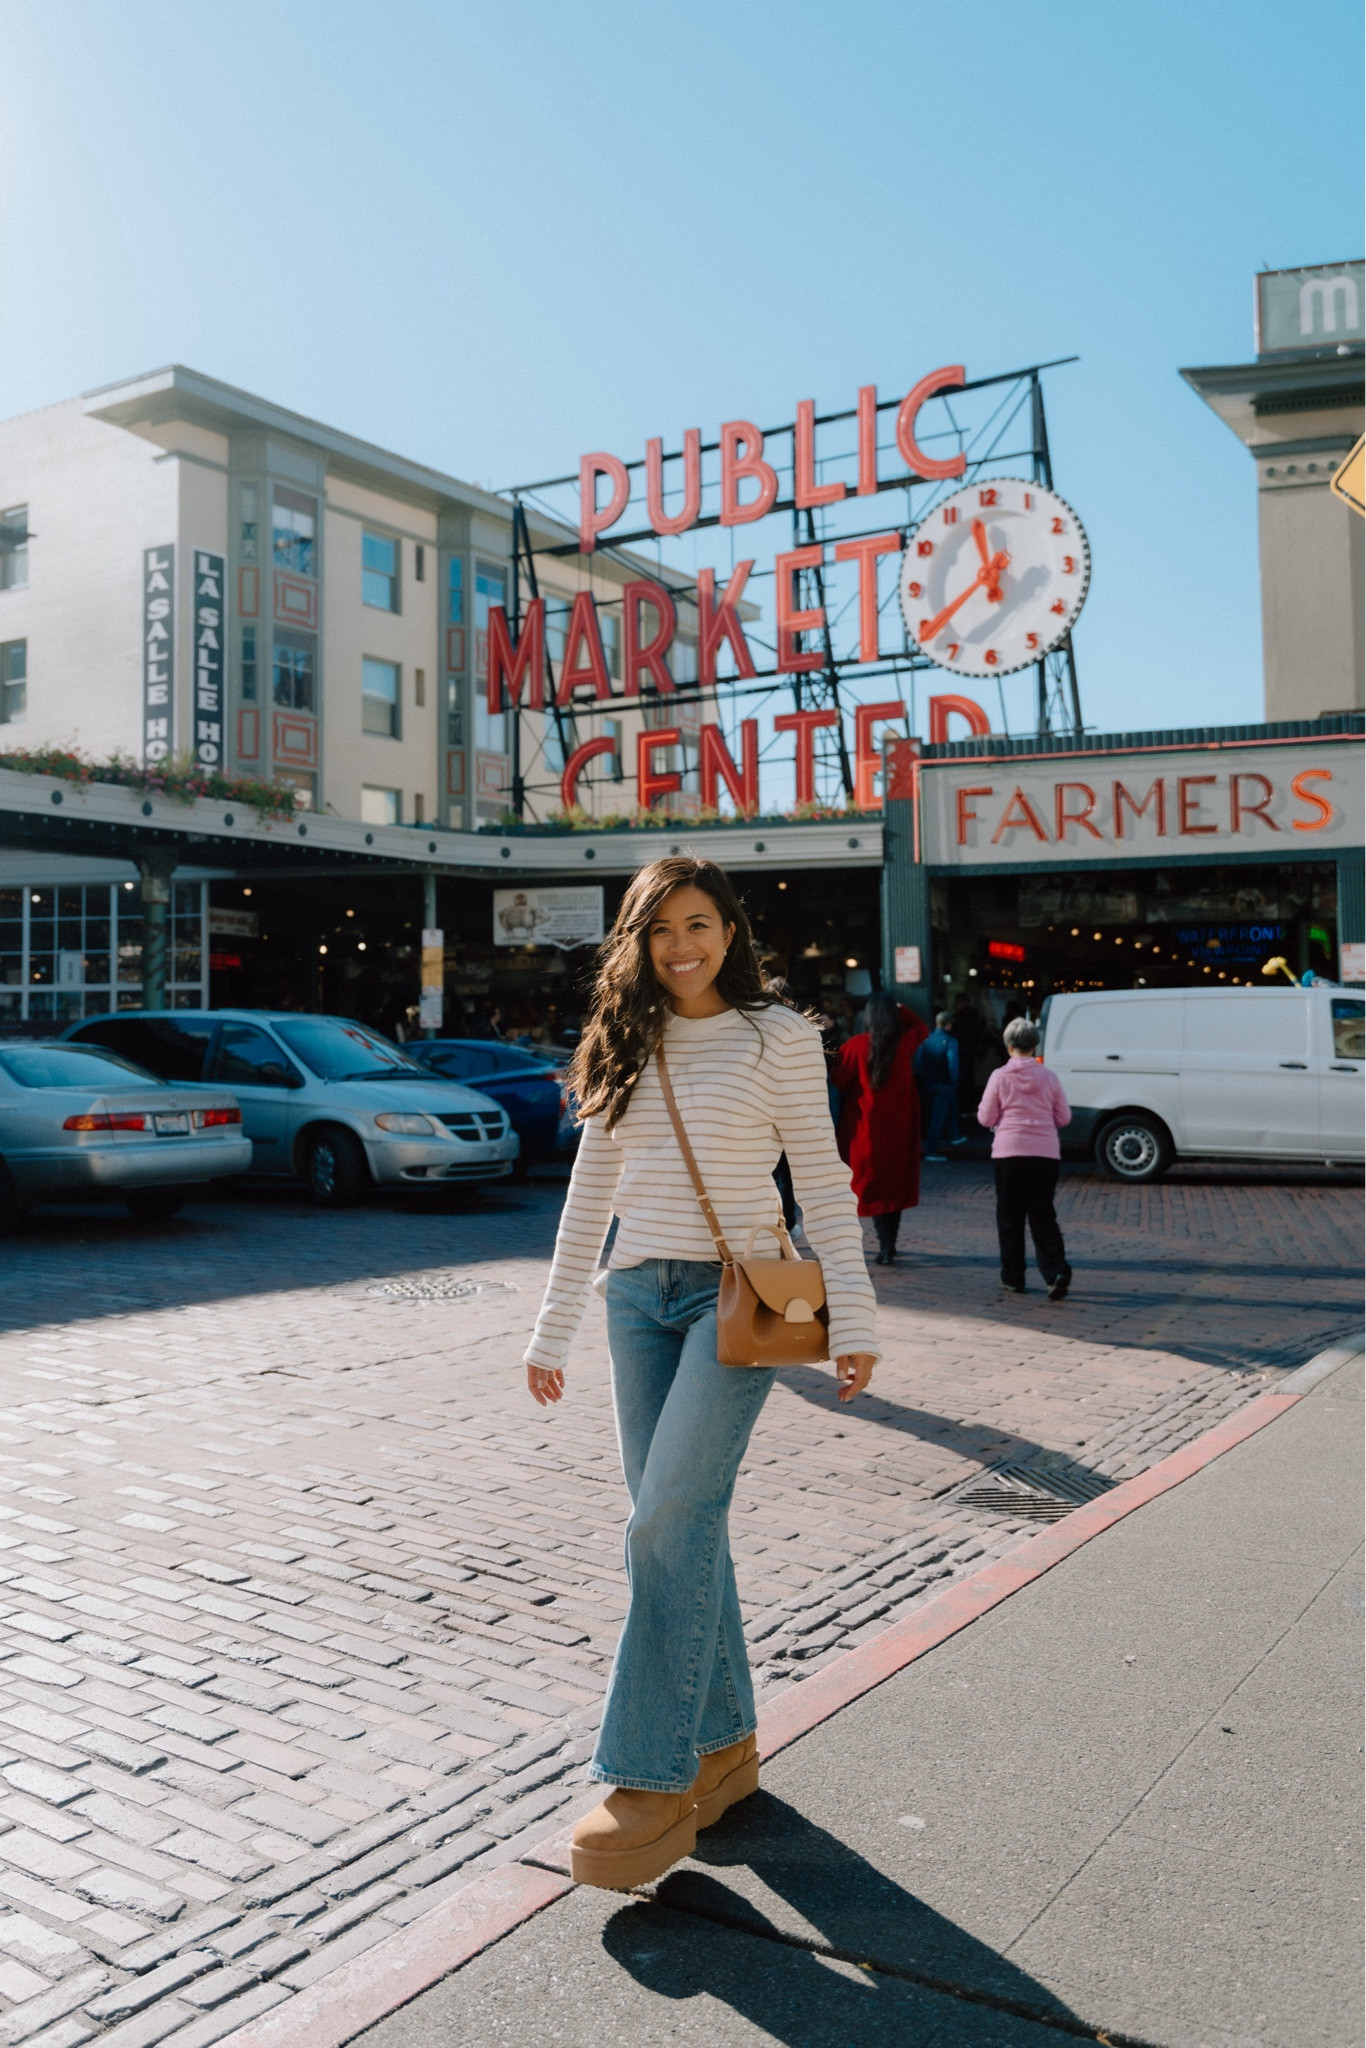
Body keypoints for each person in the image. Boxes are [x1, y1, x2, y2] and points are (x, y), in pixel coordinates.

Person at [524, 856, 878, 1892]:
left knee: (664, 1519)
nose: (681, 945)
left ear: (730, 929)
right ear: (635, 942)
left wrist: (851, 1312)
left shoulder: (778, 1035)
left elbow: (821, 1176)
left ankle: (647, 1775)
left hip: (749, 1297)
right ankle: (723, 1747)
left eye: (698, 923)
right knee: (679, 1519)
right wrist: (551, 1330)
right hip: (638, 1299)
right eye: (659, 929)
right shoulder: (622, 1040)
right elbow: (591, 1192)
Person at [976, 1016, 1073, 1300]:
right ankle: (1055, 1270)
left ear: (1009, 1046)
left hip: (1009, 1151)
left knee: (1010, 1216)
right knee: (1043, 1213)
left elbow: (985, 1117)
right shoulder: (1050, 1077)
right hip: (1045, 1153)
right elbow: (1064, 1117)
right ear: (1034, 1045)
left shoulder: (999, 1076)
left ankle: (1013, 1276)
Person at [828, 992, 928, 1265]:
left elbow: (838, 1079)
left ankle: (883, 1245)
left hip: (864, 1130)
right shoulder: (904, 1043)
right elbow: (921, 1027)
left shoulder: (855, 1046)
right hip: (899, 1130)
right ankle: (889, 1244)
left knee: (870, 1188)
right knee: (893, 1188)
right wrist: (901, 1009)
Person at [914, 1011, 962, 1160]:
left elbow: (918, 1062)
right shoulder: (951, 1041)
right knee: (939, 1115)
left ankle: (955, 1135)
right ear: (948, 1025)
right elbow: (952, 1064)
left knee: (942, 1110)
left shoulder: (926, 1040)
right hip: (944, 1082)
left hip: (929, 1081)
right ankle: (932, 1149)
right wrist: (954, 1080)